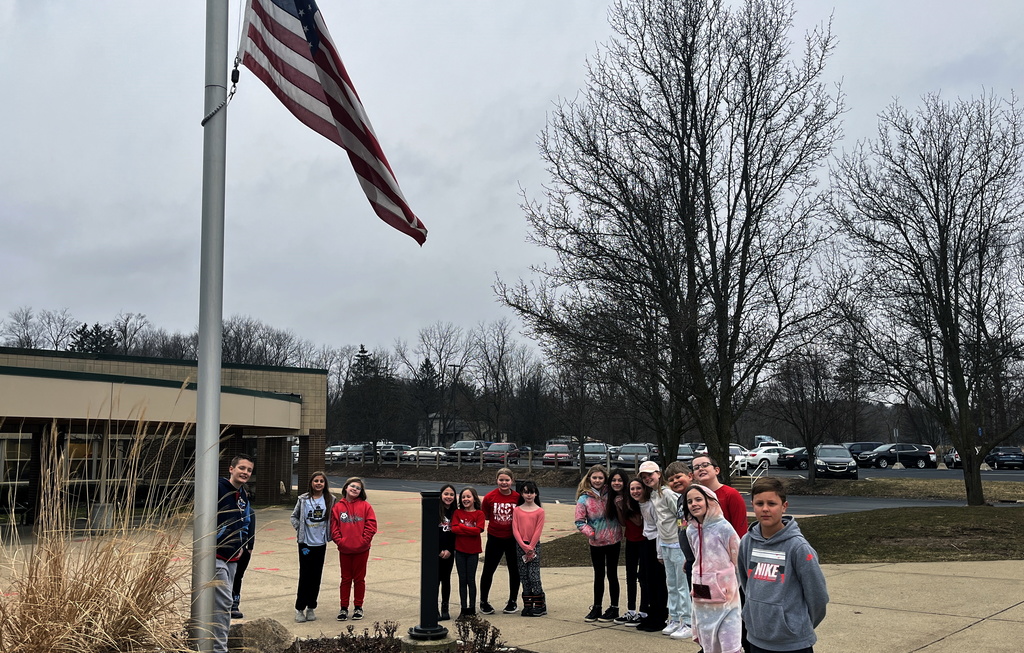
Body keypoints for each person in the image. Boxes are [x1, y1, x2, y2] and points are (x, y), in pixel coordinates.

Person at [738, 477, 829, 653]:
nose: (765, 509)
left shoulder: (798, 547)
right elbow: (744, 582)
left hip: (793, 643)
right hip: (756, 639)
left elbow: (817, 595)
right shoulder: (747, 542)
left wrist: (796, 625)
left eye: (772, 503)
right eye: (759, 503)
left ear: (784, 506)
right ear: (752, 505)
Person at [683, 484, 742, 653]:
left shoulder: (724, 527)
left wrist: (732, 586)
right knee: (708, 641)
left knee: (729, 641)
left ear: (710, 501)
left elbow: (738, 559)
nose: (694, 504)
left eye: (698, 499)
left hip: (726, 595)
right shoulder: (690, 531)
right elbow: (697, 555)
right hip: (702, 595)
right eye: (689, 501)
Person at [639, 460, 692, 638]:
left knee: (682, 585)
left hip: (678, 545)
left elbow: (681, 519)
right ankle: (675, 618)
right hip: (666, 545)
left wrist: (686, 548)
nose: (648, 479)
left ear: (659, 474)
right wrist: (660, 550)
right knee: (671, 584)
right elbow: (659, 525)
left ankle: (688, 621)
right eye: (644, 477)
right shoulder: (654, 495)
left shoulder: (669, 494)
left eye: (650, 475)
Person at [213, 454, 254, 653]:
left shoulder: (243, 495)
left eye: (249, 470)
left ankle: (216, 644)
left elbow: (246, 520)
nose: (245, 472)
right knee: (224, 602)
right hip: (216, 555)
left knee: (222, 602)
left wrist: (243, 543)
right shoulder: (218, 488)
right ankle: (219, 649)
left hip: (233, 556)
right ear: (231, 469)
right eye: (242, 468)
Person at [574, 464, 623, 623]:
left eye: (600, 478)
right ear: (589, 478)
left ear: (605, 479)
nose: (597, 480)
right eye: (594, 477)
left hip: (614, 540)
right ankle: (597, 607)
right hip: (596, 543)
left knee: (612, 574)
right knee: (599, 575)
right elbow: (580, 521)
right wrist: (591, 533)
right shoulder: (584, 498)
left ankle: (614, 607)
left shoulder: (612, 494)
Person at [330, 477, 377, 622]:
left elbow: (371, 525)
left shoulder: (366, 506)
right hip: (345, 550)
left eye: (358, 488)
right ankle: (343, 607)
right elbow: (334, 527)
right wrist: (340, 542)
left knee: (359, 579)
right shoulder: (338, 507)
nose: (355, 489)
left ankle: (358, 606)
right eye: (352, 486)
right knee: (345, 579)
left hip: (361, 550)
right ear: (345, 488)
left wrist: (363, 541)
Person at [290, 471, 334, 623]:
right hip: (305, 545)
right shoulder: (303, 500)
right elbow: (294, 516)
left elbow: (333, 519)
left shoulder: (330, 500)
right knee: (305, 575)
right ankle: (300, 608)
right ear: (311, 483)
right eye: (316, 480)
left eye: (321, 481)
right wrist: (300, 528)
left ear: (325, 484)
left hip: (320, 544)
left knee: (316, 576)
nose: (318, 483)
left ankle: (311, 607)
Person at [479, 468, 521, 615]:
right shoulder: (490, 497)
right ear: (497, 480)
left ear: (512, 481)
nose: (504, 483)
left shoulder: (517, 497)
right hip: (495, 538)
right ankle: (484, 601)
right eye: (501, 480)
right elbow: (486, 516)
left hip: (512, 539)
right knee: (488, 570)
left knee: (514, 570)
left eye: (507, 480)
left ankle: (512, 601)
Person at [612, 475, 647, 627]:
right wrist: (619, 507)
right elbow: (622, 522)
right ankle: (631, 610)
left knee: (644, 577)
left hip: (644, 541)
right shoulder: (624, 502)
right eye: (632, 489)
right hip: (631, 540)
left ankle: (644, 611)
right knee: (630, 576)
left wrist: (626, 506)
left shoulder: (640, 503)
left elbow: (638, 521)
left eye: (638, 488)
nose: (635, 491)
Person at [691, 454, 750, 537]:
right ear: (693, 475)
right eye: (696, 468)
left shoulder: (731, 494)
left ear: (716, 470)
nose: (701, 469)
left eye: (705, 465)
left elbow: (740, 528)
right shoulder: (693, 498)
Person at [512, 480, 546, 617]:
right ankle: (528, 604)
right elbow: (515, 529)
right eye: (526, 492)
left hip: (534, 546)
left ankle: (540, 605)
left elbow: (538, 530)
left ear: (536, 493)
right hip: (521, 546)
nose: (529, 495)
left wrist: (531, 547)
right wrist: (523, 545)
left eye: (531, 492)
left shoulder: (539, 511)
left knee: (534, 576)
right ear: (522, 494)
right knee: (524, 576)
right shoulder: (517, 510)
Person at [451, 486, 485, 618]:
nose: (466, 499)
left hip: (473, 551)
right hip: (460, 551)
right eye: (463, 497)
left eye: (468, 496)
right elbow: (454, 529)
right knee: (462, 579)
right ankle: (463, 608)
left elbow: (478, 530)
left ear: (474, 498)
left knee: (471, 580)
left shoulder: (479, 514)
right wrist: (466, 529)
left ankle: (471, 608)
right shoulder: (458, 513)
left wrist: (462, 527)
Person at [230, 500, 256, 620]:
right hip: (228, 547)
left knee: (237, 576)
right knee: (226, 576)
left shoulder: (249, 511)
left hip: (243, 549)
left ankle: (235, 603)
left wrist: (249, 548)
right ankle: (225, 603)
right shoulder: (228, 509)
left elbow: (251, 530)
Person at [437, 483, 458, 621]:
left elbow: (456, 534)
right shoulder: (435, 510)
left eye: (451, 494)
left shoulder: (456, 512)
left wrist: (450, 550)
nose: (449, 497)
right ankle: (434, 607)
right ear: (441, 495)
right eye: (446, 494)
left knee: (446, 579)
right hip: (436, 552)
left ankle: (445, 607)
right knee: (435, 580)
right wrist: (439, 550)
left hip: (450, 552)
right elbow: (431, 533)